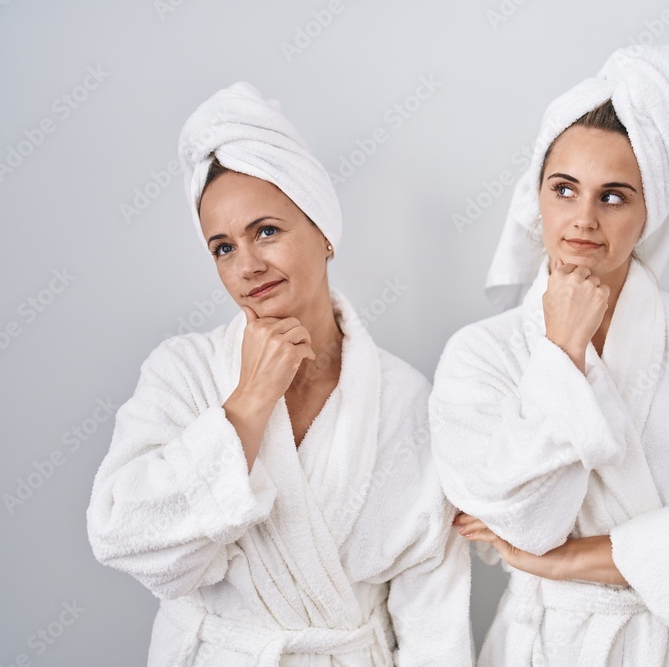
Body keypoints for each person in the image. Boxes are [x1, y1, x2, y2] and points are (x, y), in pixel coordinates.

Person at [429, 45, 669, 666]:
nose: (582, 220)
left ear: (652, 211)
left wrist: (571, 558)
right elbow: (526, 522)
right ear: (536, 196)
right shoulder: (481, 352)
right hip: (539, 646)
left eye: (614, 196)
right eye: (565, 189)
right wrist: (562, 351)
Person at [86, 81, 473, 666]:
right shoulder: (183, 372)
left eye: (266, 231)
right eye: (222, 247)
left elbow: (431, 604)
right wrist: (247, 403)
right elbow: (121, 532)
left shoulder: (402, 398)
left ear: (323, 232)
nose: (247, 266)